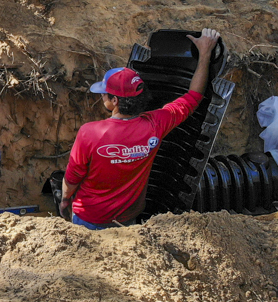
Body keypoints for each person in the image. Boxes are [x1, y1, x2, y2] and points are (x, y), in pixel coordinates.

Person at [60, 28, 221, 230]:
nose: (102, 97)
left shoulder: (89, 132)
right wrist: (205, 54)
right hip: (127, 219)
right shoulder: (157, 124)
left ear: (115, 100)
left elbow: (72, 178)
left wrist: (65, 201)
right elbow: (193, 96)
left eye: (104, 94)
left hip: (90, 218)